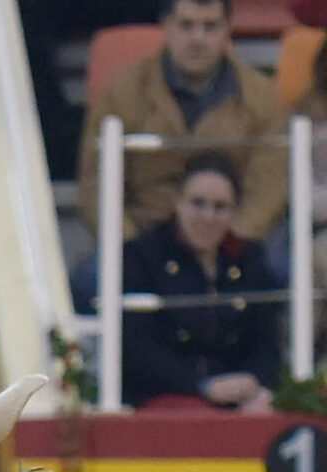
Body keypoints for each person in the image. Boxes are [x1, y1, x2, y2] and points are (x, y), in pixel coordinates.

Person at [79, 0, 287, 243]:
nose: (197, 39)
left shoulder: (264, 97)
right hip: (143, 243)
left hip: (234, 248)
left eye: (210, 27)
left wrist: (229, 247)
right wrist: (135, 250)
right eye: (186, 26)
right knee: (85, 280)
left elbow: (269, 190)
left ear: (228, 29)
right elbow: (97, 187)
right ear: (165, 26)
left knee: (282, 269)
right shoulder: (120, 93)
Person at [119, 152, 284, 407]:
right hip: (167, 393)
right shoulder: (141, 256)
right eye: (198, 203)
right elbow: (139, 350)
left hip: (239, 393)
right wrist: (202, 386)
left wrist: (253, 382)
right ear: (177, 202)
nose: (207, 217)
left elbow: (265, 342)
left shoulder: (249, 258)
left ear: (235, 211)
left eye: (220, 207)